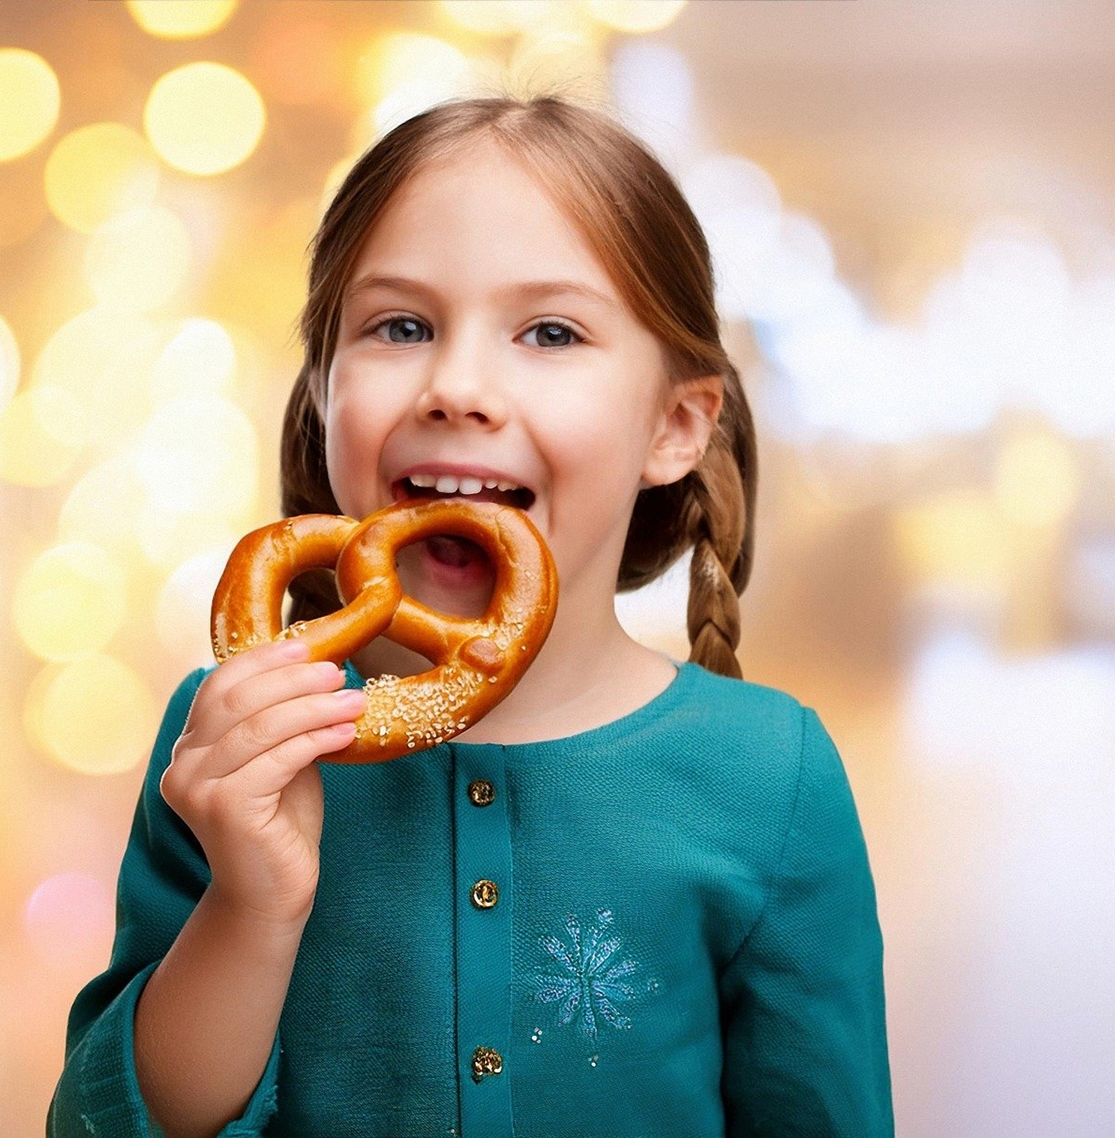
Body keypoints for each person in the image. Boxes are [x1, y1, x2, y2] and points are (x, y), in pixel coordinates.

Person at [48, 95, 892, 1137]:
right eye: (400, 326)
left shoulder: (771, 775)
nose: (456, 387)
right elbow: (110, 1124)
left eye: (549, 331)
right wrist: (249, 905)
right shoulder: (235, 734)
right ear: (323, 393)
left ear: (674, 425)